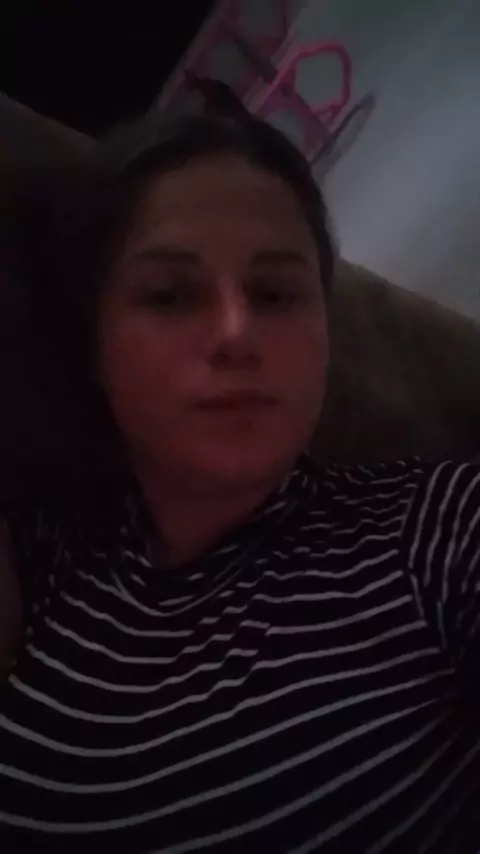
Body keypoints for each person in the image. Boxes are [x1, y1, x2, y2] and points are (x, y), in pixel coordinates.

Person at [0, 82, 479, 854]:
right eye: (170, 295)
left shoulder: (434, 530)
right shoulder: (51, 555)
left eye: (275, 293)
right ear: (94, 345)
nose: (235, 331)